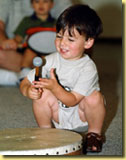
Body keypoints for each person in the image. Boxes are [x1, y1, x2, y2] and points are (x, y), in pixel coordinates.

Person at [20, 4, 106, 153]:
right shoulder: (50, 60)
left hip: (82, 117)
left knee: (95, 98)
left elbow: (72, 100)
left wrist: (55, 87)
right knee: (42, 94)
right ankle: (46, 133)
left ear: (88, 42)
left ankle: (94, 135)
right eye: (59, 36)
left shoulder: (88, 68)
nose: (62, 43)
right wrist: (28, 91)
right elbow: (25, 82)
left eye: (70, 39)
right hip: (58, 116)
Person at [0, 0, 72, 85]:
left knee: (48, 59)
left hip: (48, 51)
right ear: (32, 5)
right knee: (29, 53)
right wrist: (14, 42)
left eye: (45, 2)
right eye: (37, 2)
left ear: (52, 5)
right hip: (29, 50)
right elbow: (18, 38)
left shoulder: (55, 23)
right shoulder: (26, 21)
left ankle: (45, 77)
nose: (41, 5)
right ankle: (24, 74)